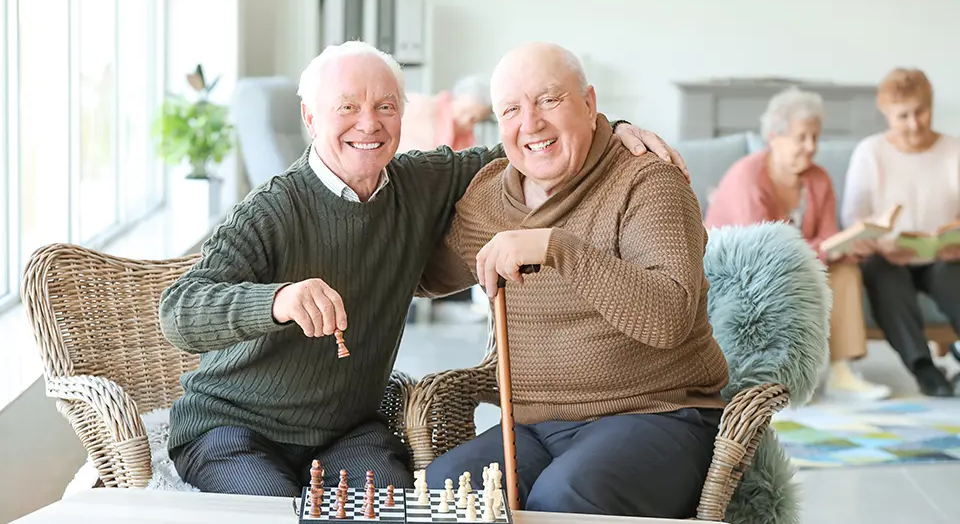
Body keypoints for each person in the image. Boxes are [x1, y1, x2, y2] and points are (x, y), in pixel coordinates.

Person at [158, 40, 685, 497]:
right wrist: (277, 301)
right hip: (234, 427)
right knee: (274, 510)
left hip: (348, 431)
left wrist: (608, 129)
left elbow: (529, 146)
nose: (369, 123)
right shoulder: (273, 209)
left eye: (385, 106)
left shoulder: (421, 181)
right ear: (310, 117)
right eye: (347, 107)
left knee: (402, 508)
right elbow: (178, 311)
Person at [420, 42, 728, 519]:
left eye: (549, 100)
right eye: (511, 110)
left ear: (589, 103)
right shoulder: (488, 197)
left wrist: (555, 247)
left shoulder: (648, 181)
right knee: (443, 496)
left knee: (563, 500)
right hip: (533, 428)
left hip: (658, 416)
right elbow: (423, 277)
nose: (531, 123)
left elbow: (669, 317)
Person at [704, 87, 890, 401]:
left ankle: (842, 372)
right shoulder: (748, 177)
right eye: (801, 137)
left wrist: (847, 246)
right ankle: (766, 378)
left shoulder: (819, 179)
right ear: (775, 136)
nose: (811, 147)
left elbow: (830, 236)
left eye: (815, 137)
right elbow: (760, 250)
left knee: (845, 271)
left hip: (795, 265)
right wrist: (827, 246)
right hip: (740, 272)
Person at [841, 68, 960, 398]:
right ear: (887, 113)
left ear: (931, 105)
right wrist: (879, 244)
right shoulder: (870, 152)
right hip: (888, 256)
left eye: (921, 111)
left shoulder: (954, 150)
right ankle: (925, 369)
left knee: (953, 276)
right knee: (883, 274)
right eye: (902, 115)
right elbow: (854, 217)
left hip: (942, 256)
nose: (913, 123)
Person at [396, 75, 493, 153]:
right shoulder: (421, 106)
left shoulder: (468, 144)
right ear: (453, 98)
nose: (465, 120)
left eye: (474, 119)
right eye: (464, 111)